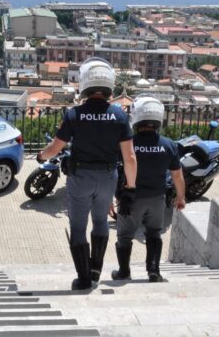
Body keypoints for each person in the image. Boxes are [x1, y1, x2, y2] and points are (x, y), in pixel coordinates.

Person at [36, 57, 137, 290]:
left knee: (78, 227)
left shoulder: (74, 115)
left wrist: (42, 157)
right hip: (107, 178)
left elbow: (55, 148)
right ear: (109, 85)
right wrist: (130, 187)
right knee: (100, 220)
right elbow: (130, 158)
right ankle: (95, 270)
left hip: (80, 178)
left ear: (84, 84)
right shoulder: (120, 115)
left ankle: (83, 279)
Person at [112, 96, 186, 283]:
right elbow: (177, 175)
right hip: (157, 199)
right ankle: (154, 271)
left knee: (124, 236)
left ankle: (124, 272)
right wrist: (181, 197)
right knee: (154, 233)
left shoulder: (127, 144)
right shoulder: (169, 145)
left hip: (131, 199)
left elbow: (113, 171)